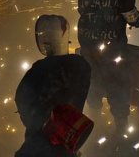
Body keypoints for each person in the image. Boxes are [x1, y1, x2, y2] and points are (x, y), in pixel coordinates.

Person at [77, 0, 139, 136]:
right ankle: (121, 130)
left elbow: (82, 10)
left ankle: (94, 125)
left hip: (88, 46)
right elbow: (132, 18)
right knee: (118, 85)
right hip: (112, 49)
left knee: (93, 83)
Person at [15, 14, 92, 157]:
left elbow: (22, 103)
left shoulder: (36, 72)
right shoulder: (82, 66)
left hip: (38, 148)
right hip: (70, 140)